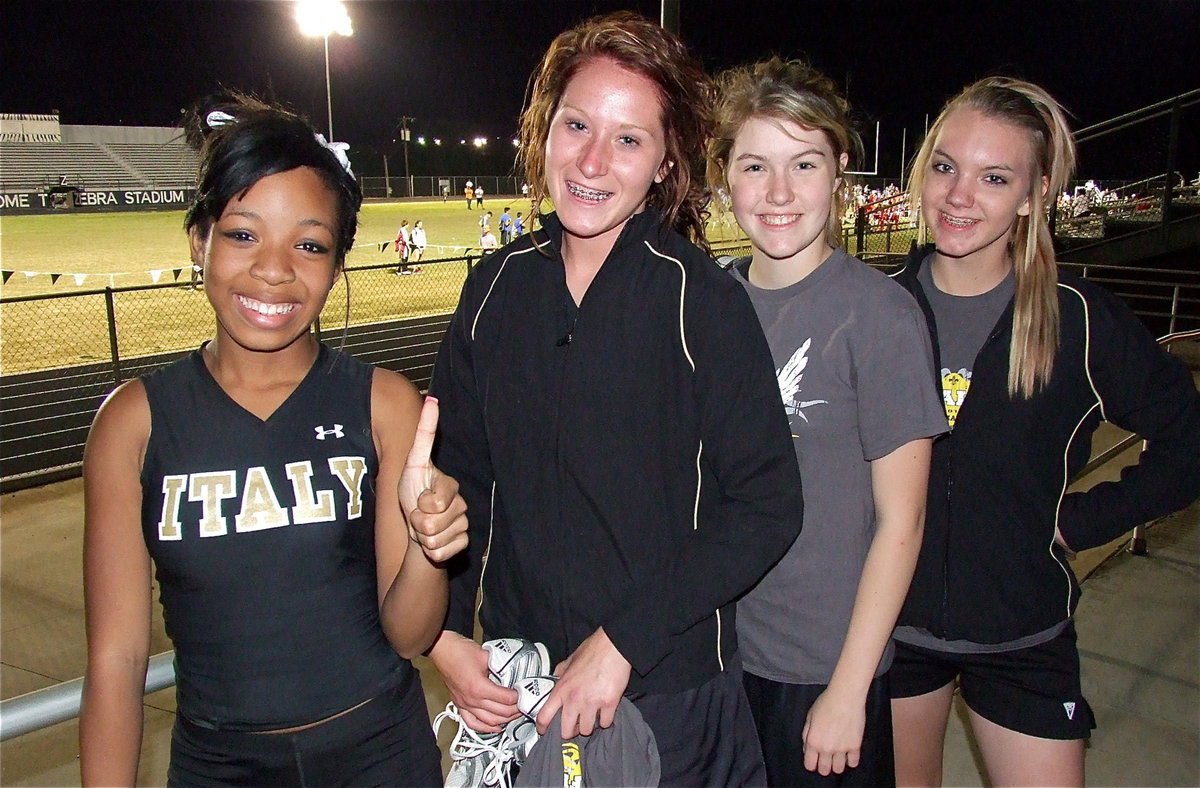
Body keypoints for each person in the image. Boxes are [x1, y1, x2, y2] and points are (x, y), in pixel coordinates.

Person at [428, 11, 804, 786]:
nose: (593, 160)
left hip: (669, 693)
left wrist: (623, 641)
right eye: (576, 126)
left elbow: (768, 504)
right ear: (543, 131)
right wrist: (444, 633)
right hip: (525, 690)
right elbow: (459, 482)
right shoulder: (493, 289)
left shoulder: (700, 300)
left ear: (667, 164)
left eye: (629, 139)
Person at [78, 94, 469, 786]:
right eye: (242, 235)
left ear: (338, 264)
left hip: (380, 755)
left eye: (310, 244)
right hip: (218, 767)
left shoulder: (384, 404)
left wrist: (427, 546)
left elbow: (409, 635)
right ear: (199, 241)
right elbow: (115, 661)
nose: (275, 269)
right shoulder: (133, 424)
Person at [887, 76, 1200, 787]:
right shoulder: (876, 310)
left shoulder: (1079, 321)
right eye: (945, 166)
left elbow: (1190, 439)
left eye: (993, 177)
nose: (959, 196)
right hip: (889, 636)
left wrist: (1082, 520)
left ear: (1032, 194)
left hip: (1025, 636)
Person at [706, 57, 947, 787]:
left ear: (840, 170)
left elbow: (900, 523)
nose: (778, 193)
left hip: (821, 672)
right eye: (755, 165)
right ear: (725, 179)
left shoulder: (879, 316)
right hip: (716, 658)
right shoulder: (706, 305)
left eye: (803, 163)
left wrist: (849, 690)